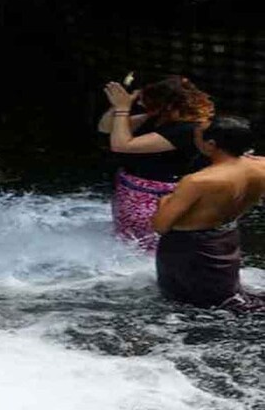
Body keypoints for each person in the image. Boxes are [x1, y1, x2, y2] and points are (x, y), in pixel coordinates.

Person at [152, 116, 265, 311]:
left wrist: (164, 202)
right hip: (225, 237)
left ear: (211, 144)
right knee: (224, 297)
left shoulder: (198, 181)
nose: (194, 139)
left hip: (188, 247)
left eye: (197, 136)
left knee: (186, 305)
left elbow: (160, 226)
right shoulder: (261, 165)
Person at [99, 76, 214, 251]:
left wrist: (123, 109)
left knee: (150, 247)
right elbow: (106, 127)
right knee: (127, 242)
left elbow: (121, 145)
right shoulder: (156, 118)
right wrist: (118, 107)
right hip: (130, 190)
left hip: (155, 197)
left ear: (166, 105)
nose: (143, 106)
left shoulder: (188, 129)